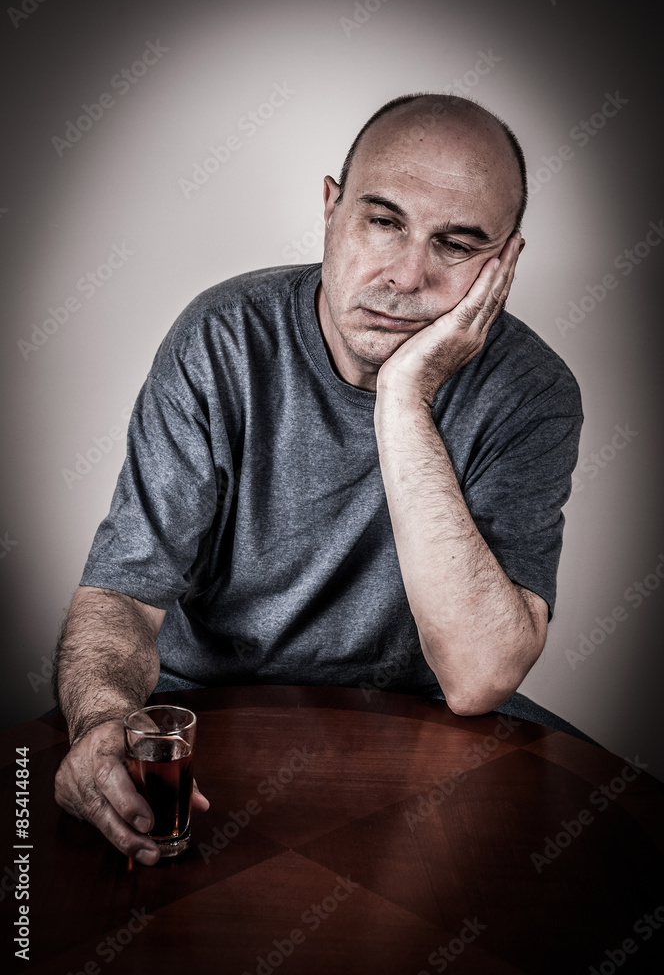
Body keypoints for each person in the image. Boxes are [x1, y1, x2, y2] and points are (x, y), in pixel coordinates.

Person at [53, 93, 583, 865]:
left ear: (505, 264)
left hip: (429, 724)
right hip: (213, 704)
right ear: (331, 208)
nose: (407, 275)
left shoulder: (532, 392)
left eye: (458, 245)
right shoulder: (222, 336)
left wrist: (404, 398)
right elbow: (122, 598)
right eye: (383, 220)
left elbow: (476, 679)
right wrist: (104, 722)